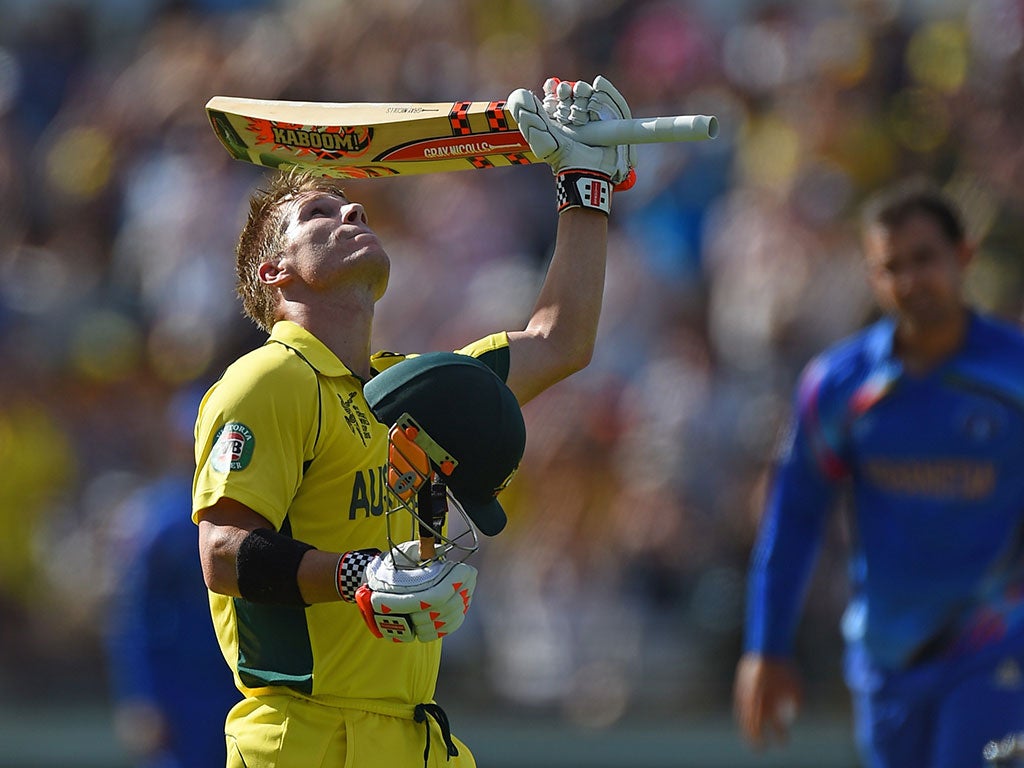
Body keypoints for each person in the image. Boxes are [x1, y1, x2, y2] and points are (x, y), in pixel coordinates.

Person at [192, 75, 638, 768]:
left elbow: (561, 341)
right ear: (275, 272)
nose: (354, 211)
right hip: (306, 738)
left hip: (416, 740)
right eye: (320, 213)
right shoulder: (268, 379)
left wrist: (583, 185)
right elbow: (221, 551)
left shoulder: (411, 387)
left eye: (353, 204)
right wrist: (356, 575)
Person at [733, 178, 1024, 768]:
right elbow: (794, 518)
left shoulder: (1014, 375)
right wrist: (765, 645)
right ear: (873, 278)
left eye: (925, 259)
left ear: (963, 256)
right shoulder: (838, 386)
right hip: (884, 659)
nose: (911, 281)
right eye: (892, 267)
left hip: (996, 647)